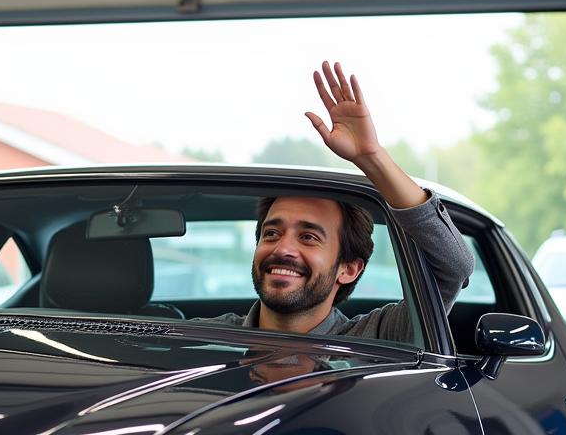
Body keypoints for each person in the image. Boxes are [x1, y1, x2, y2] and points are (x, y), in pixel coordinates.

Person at [202, 61, 474, 340]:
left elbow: (453, 268)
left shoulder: (377, 338)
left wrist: (371, 157)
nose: (282, 248)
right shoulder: (202, 341)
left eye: (308, 237)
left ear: (349, 269)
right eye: (271, 233)